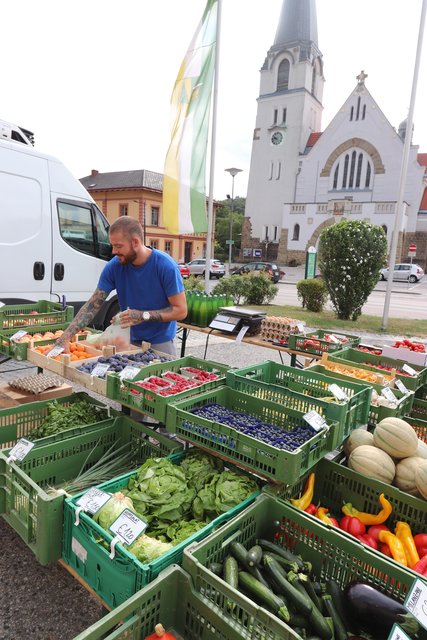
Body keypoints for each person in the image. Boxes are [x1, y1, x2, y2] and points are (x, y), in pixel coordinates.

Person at [55, 217, 187, 356]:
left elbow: (181, 311)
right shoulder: (114, 266)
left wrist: (143, 316)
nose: (113, 251)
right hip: (128, 340)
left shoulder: (165, 266)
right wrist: (66, 336)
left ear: (135, 242)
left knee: (158, 377)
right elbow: (93, 305)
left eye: (118, 246)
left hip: (160, 342)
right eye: (112, 246)